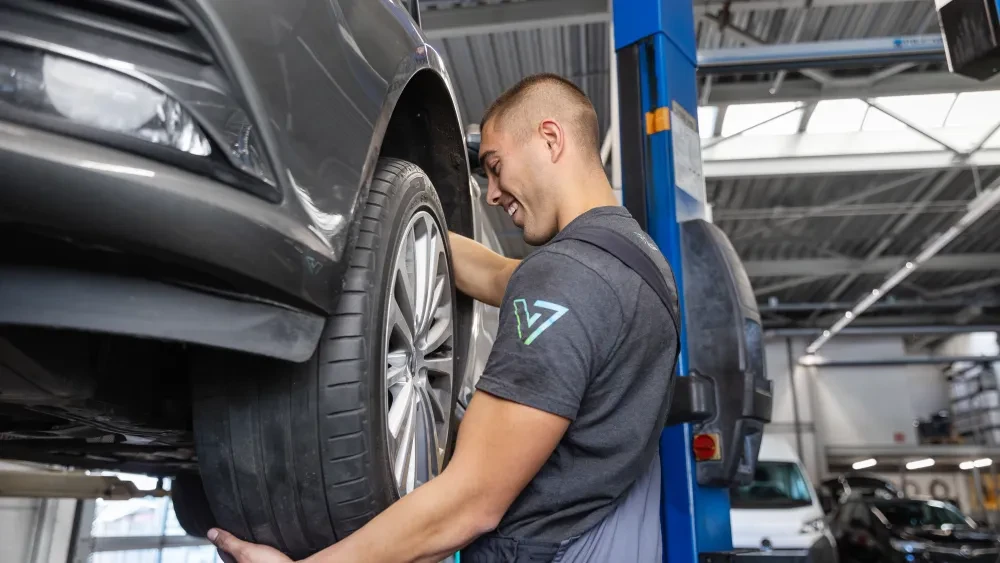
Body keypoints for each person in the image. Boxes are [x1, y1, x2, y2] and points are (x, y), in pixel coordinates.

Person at [208, 73, 680, 563]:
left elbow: (470, 503)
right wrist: (381, 226)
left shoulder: (567, 280)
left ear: (551, 138)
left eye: (495, 167)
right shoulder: (641, 269)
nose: (492, 193)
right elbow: (500, 274)